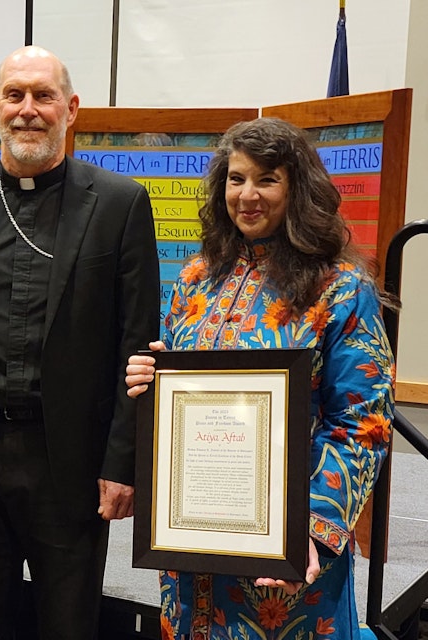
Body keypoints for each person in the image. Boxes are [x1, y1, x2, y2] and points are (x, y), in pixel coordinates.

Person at [0, 45, 160, 639]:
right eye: (15, 95)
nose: (28, 109)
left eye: (44, 96)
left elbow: (136, 345)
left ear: (70, 109)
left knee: (68, 626)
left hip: (69, 464)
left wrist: (122, 463)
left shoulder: (121, 203)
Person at [125, 117, 395, 640]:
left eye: (266, 179)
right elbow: (180, 398)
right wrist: (151, 378)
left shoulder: (340, 290)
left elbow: (362, 424)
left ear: (298, 190)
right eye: (236, 178)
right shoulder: (196, 279)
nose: (247, 195)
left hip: (289, 556)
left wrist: (310, 529)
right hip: (192, 541)